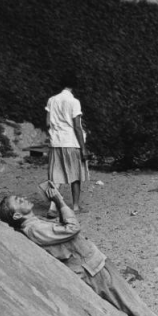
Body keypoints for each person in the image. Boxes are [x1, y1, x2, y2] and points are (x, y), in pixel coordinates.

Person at [0, 186, 158, 316]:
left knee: (132, 299)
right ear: (16, 216)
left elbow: (62, 232)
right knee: (132, 305)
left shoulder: (35, 223)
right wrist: (59, 201)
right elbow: (72, 228)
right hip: (91, 269)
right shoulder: (35, 228)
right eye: (18, 201)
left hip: (92, 262)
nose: (23, 198)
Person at [45, 71, 88, 217]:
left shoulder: (52, 100)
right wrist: (83, 148)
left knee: (55, 176)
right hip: (71, 141)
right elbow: (77, 126)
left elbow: (47, 122)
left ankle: (52, 207)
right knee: (75, 175)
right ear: (73, 85)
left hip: (55, 141)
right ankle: (75, 206)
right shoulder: (74, 102)